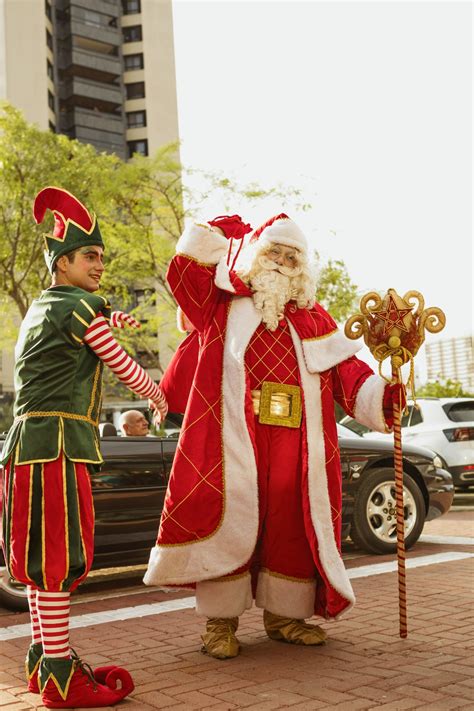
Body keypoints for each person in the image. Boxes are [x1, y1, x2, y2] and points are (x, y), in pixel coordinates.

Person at [144, 213, 404, 659]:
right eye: (274, 254)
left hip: (295, 442)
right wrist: (213, 236)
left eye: (291, 257)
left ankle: (285, 616)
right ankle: (220, 623)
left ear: (302, 269)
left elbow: (349, 373)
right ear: (257, 257)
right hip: (232, 436)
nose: (282, 263)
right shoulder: (223, 303)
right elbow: (186, 276)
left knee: (289, 523)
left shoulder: (314, 319)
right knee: (229, 519)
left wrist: (385, 397)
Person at [0, 187, 168, 708]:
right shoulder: (80, 306)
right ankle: (60, 680)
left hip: (24, 448)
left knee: (37, 561)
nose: (99, 266)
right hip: (57, 448)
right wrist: (158, 394)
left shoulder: (41, 310)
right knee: (57, 559)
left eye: (100, 257)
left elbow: (78, 339)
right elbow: (122, 366)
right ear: (63, 261)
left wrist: (107, 319)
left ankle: (45, 662)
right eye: (90, 256)